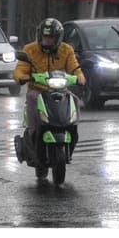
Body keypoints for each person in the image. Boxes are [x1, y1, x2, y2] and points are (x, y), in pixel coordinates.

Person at [13, 17, 85, 163]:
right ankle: (33, 132)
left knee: (75, 99)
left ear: (58, 38)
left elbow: (75, 68)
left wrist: (80, 77)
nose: (47, 40)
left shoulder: (67, 50)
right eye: (44, 37)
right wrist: (22, 77)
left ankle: (72, 129)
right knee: (33, 98)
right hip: (38, 90)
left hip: (60, 89)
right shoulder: (29, 49)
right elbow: (20, 69)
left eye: (50, 37)